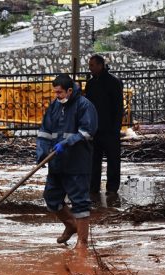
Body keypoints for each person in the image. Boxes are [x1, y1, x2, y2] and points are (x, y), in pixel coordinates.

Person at [37, 74, 98, 249]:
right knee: (51, 198)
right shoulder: (55, 107)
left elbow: (87, 131)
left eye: (60, 92)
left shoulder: (85, 106)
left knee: (80, 201)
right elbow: (44, 132)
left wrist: (67, 143)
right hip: (56, 163)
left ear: (70, 90)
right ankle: (71, 224)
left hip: (77, 163)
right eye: (55, 92)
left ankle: (82, 242)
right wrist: (41, 152)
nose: (57, 96)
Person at [85, 54, 124, 195]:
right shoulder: (91, 83)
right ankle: (93, 186)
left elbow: (118, 107)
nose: (90, 68)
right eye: (90, 65)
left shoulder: (113, 82)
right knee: (94, 160)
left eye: (92, 65)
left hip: (109, 128)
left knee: (113, 160)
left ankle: (112, 187)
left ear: (100, 65)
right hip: (95, 129)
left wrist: (116, 127)